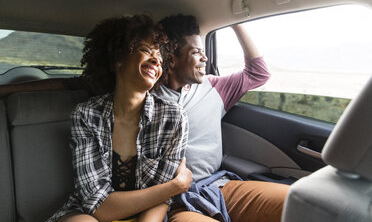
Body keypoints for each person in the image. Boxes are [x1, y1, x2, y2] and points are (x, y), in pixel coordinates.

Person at [46, 14, 192, 222]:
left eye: (160, 58)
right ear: (118, 59)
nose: (155, 61)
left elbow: (162, 199)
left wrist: (165, 194)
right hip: (90, 214)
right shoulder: (86, 115)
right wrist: (175, 186)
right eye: (145, 50)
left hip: (148, 214)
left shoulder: (174, 117)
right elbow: (97, 205)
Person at [152, 14, 289, 222]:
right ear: (172, 57)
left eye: (204, 52)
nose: (204, 59)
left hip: (217, 186)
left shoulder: (214, 87)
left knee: (299, 203)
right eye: (196, 53)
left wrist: (235, 21)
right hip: (174, 199)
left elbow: (259, 74)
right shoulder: (146, 98)